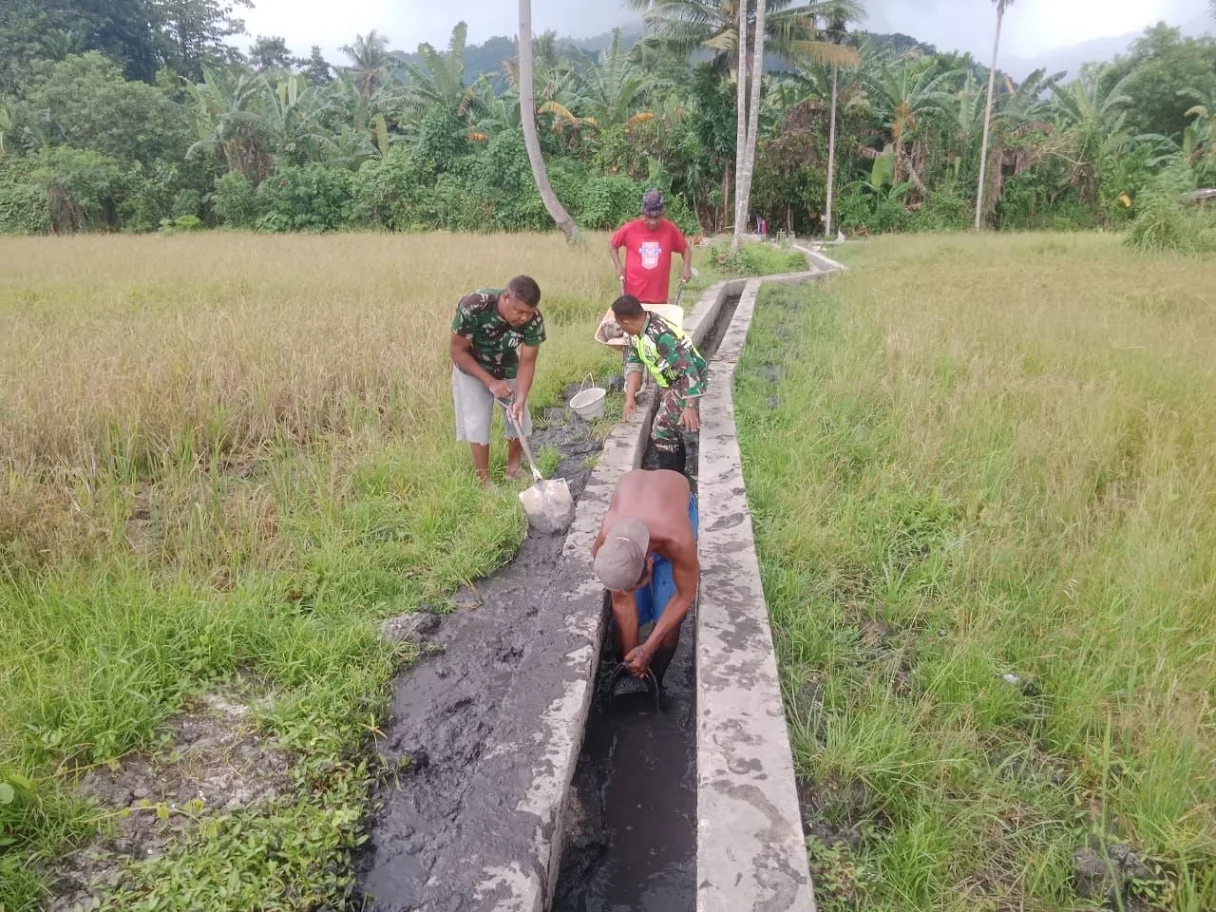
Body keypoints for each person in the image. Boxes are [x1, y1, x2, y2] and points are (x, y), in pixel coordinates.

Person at [592, 469, 699, 684]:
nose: (627, 593)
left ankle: (657, 678)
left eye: (635, 586)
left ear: (649, 564)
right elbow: (622, 602)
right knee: (623, 624)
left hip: (673, 498)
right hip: (632, 496)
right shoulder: (607, 547)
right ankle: (638, 679)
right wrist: (631, 658)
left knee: (668, 619)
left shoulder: (677, 540)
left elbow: (684, 596)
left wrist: (648, 648)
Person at [448, 276, 544, 486]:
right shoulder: (474, 306)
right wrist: (490, 382)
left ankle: (514, 469)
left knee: (518, 416)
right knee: (478, 422)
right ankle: (484, 481)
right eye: (519, 311)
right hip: (472, 366)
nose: (524, 318)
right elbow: (456, 352)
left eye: (528, 313)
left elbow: (528, 362)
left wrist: (520, 398)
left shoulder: (534, 319)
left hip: (506, 364)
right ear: (505, 297)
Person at [612, 294, 707, 475]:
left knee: (661, 431)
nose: (621, 328)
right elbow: (635, 363)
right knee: (671, 428)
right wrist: (630, 397)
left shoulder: (661, 336)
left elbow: (689, 369)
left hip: (687, 379)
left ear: (627, 322)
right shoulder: (636, 334)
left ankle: (669, 479)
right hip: (672, 380)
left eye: (620, 324)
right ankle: (679, 476)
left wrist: (690, 406)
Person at [610, 190, 693, 307]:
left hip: (659, 298)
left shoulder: (669, 229)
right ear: (642, 214)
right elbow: (613, 245)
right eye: (648, 217)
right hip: (633, 297)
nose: (652, 222)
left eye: (657, 217)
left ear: (662, 214)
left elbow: (686, 249)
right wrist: (618, 267)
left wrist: (686, 267)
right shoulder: (630, 229)